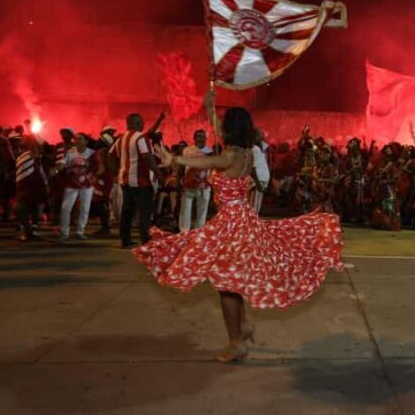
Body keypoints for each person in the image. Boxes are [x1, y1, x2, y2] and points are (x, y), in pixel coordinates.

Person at [133, 90, 343, 362]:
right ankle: (242, 328)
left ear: (230, 130)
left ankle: (236, 342)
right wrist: (210, 109)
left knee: (226, 284)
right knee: (230, 279)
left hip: (232, 224)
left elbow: (206, 161)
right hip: (239, 219)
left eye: (222, 124)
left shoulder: (230, 157)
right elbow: (219, 145)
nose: (218, 127)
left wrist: (175, 159)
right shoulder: (245, 153)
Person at [110, 113, 162, 248]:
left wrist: (117, 171)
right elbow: (147, 157)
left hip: (125, 180)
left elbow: (109, 155)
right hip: (141, 181)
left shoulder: (121, 139)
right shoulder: (140, 138)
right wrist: (159, 174)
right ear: (138, 123)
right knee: (145, 211)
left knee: (127, 211)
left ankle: (125, 240)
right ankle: (146, 241)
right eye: (141, 122)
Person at [57, 133, 99, 240]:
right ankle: (64, 233)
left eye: (80, 139)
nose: (77, 141)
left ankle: (80, 232)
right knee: (66, 208)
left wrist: (94, 175)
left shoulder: (92, 153)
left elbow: (100, 166)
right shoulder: (70, 153)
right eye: (76, 139)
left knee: (84, 209)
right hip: (71, 184)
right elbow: (62, 163)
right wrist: (57, 169)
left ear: (86, 141)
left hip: (87, 185)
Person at [178, 129, 213, 233]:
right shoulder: (187, 150)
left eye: (203, 137)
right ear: (194, 138)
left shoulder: (210, 151)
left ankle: (198, 232)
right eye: (199, 136)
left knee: (202, 211)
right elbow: (181, 165)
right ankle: (184, 232)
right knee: (185, 210)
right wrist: (178, 180)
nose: (201, 139)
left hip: (204, 185)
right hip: (189, 184)